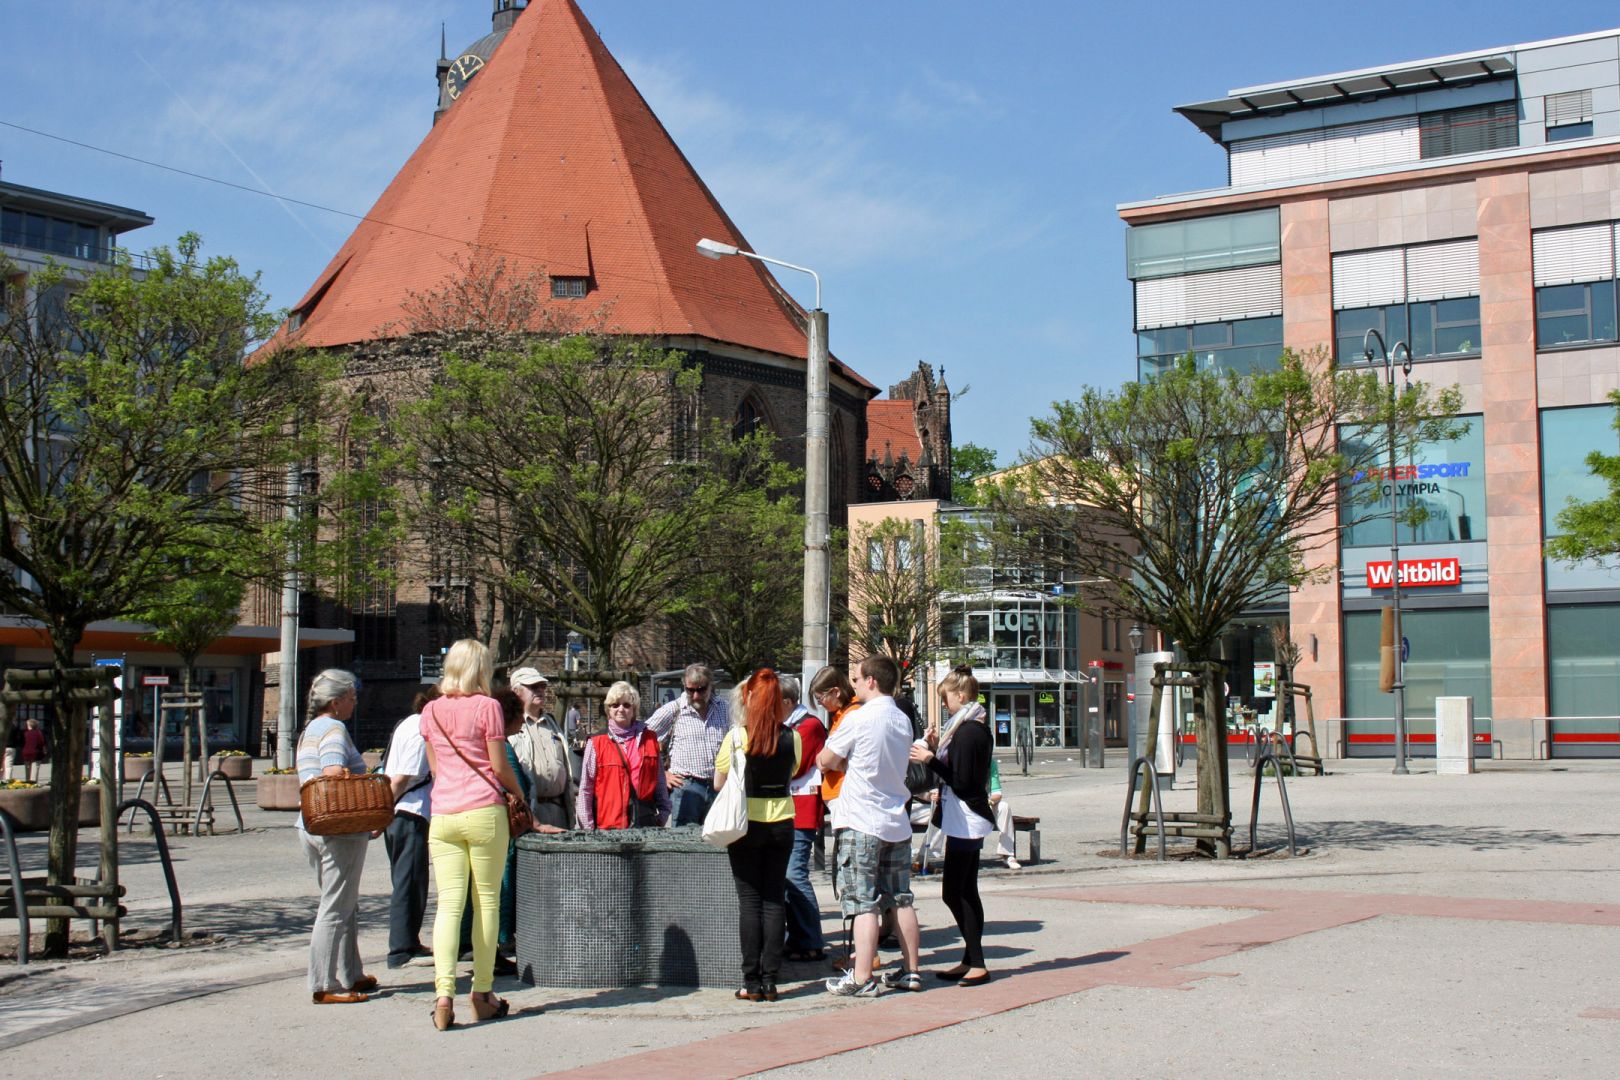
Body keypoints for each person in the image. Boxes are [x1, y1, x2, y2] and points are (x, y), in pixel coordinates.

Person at [419, 638, 526, 1031]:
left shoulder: (429, 711)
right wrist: (517, 794)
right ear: (480, 669)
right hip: (483, 811)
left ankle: (443, 996)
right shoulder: (487, 707)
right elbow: (498, 766)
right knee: (486, 902)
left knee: (448, 905)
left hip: (443, 814)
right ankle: (482, 994)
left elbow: (435, 770)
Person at [817, 654, 922, 997]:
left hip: (861, 818)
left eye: (858, 680)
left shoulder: (858, 719)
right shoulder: (902, 719)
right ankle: (911, 971)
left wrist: (842, 759)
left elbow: (825, 759)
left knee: (862, 902)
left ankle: (862, 977)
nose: (855, 685)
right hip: (896, 818)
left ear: (872, 681)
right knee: (901, 899)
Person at [714, 669, 801, 1002]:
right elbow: (792, 771)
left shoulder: (736, 737)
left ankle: (750, 981)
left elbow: (719, 783)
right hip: (782, 823)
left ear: (750, 699)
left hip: (745, 824)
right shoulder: (793, 736)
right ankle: (770, 980)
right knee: (774, 899)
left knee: (749, 903)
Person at [295, 669, 376, 1005]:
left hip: (310, 824)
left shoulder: (308, 730)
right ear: (336, 700)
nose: (355, 702)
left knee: (345, 905)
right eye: (351, 696)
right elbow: (332, 771)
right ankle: (324, 983)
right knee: (334, 907)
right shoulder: (334, 728)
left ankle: (351, 971)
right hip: (339, 828)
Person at [911, 666, 995, 985]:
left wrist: (930, 759)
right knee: (963, 890)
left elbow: (962, 782)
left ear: (961, 695)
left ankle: (977, 960)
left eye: (945, 699)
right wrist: (935, 752)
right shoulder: (966, 728)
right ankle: (971, 958)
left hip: (966, 817)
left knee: (956, 891)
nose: (944, 705)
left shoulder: (968, 732)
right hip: (963, 817)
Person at [384, 687, 437, 970]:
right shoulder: (420, 729)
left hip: (400, 812)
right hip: (409, 812)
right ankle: (402, 948)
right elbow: (402, 776)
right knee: (410, 881)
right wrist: (382, 811)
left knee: (408, 880)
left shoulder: (406, 722)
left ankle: (408, 941)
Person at [576, 681, 669, 830]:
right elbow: (586, 788)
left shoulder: (650, 739)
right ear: (608, 709)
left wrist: (664, 813)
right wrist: (588, 828)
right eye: (615, 705)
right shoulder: (596, 743)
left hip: (645, 824)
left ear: (634, 709)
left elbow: (659, 781)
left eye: (626, 705)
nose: (621, 709)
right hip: (608, 826)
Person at [646, 663, 730, 825]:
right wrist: (662, 775)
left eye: (701, 689)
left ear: (711, 686)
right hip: (686, 786)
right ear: (684, 686)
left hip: (719, 787)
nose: (696, 695)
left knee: (717, 845)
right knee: (684, 844)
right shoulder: (673, 709)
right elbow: (640, 741)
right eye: (690, 690)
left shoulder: (725, 709)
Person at [781, 674, 828, 962]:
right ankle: (799, 937)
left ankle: (810, 939)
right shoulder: (790, 725)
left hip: (803, 811)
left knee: (794, 873)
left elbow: (793, 767)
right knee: (787, 876)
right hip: (788, 809)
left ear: (787, 702)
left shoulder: (808, 726)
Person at [493, 690, 534, 964]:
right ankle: (504, 938)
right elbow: (514, 789)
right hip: (511, 828)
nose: (524, 720)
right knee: (505, 882)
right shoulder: (504, 748)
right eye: (520, 715)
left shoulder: (503, 745)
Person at [508, 667, 574, 828]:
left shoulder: (552, 724)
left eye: (542, 686)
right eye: (533, 687)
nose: (539, 691)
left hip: (559, 810)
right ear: (516, 691)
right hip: (528, 811)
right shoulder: (509, 726)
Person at [989, 758, 1021, 870]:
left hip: (986, 804)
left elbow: (997, 794)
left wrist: (989, 802)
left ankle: (1008, 854)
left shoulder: (990, 763)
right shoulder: (966, 760)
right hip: (969, 805)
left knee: (1004, 806)